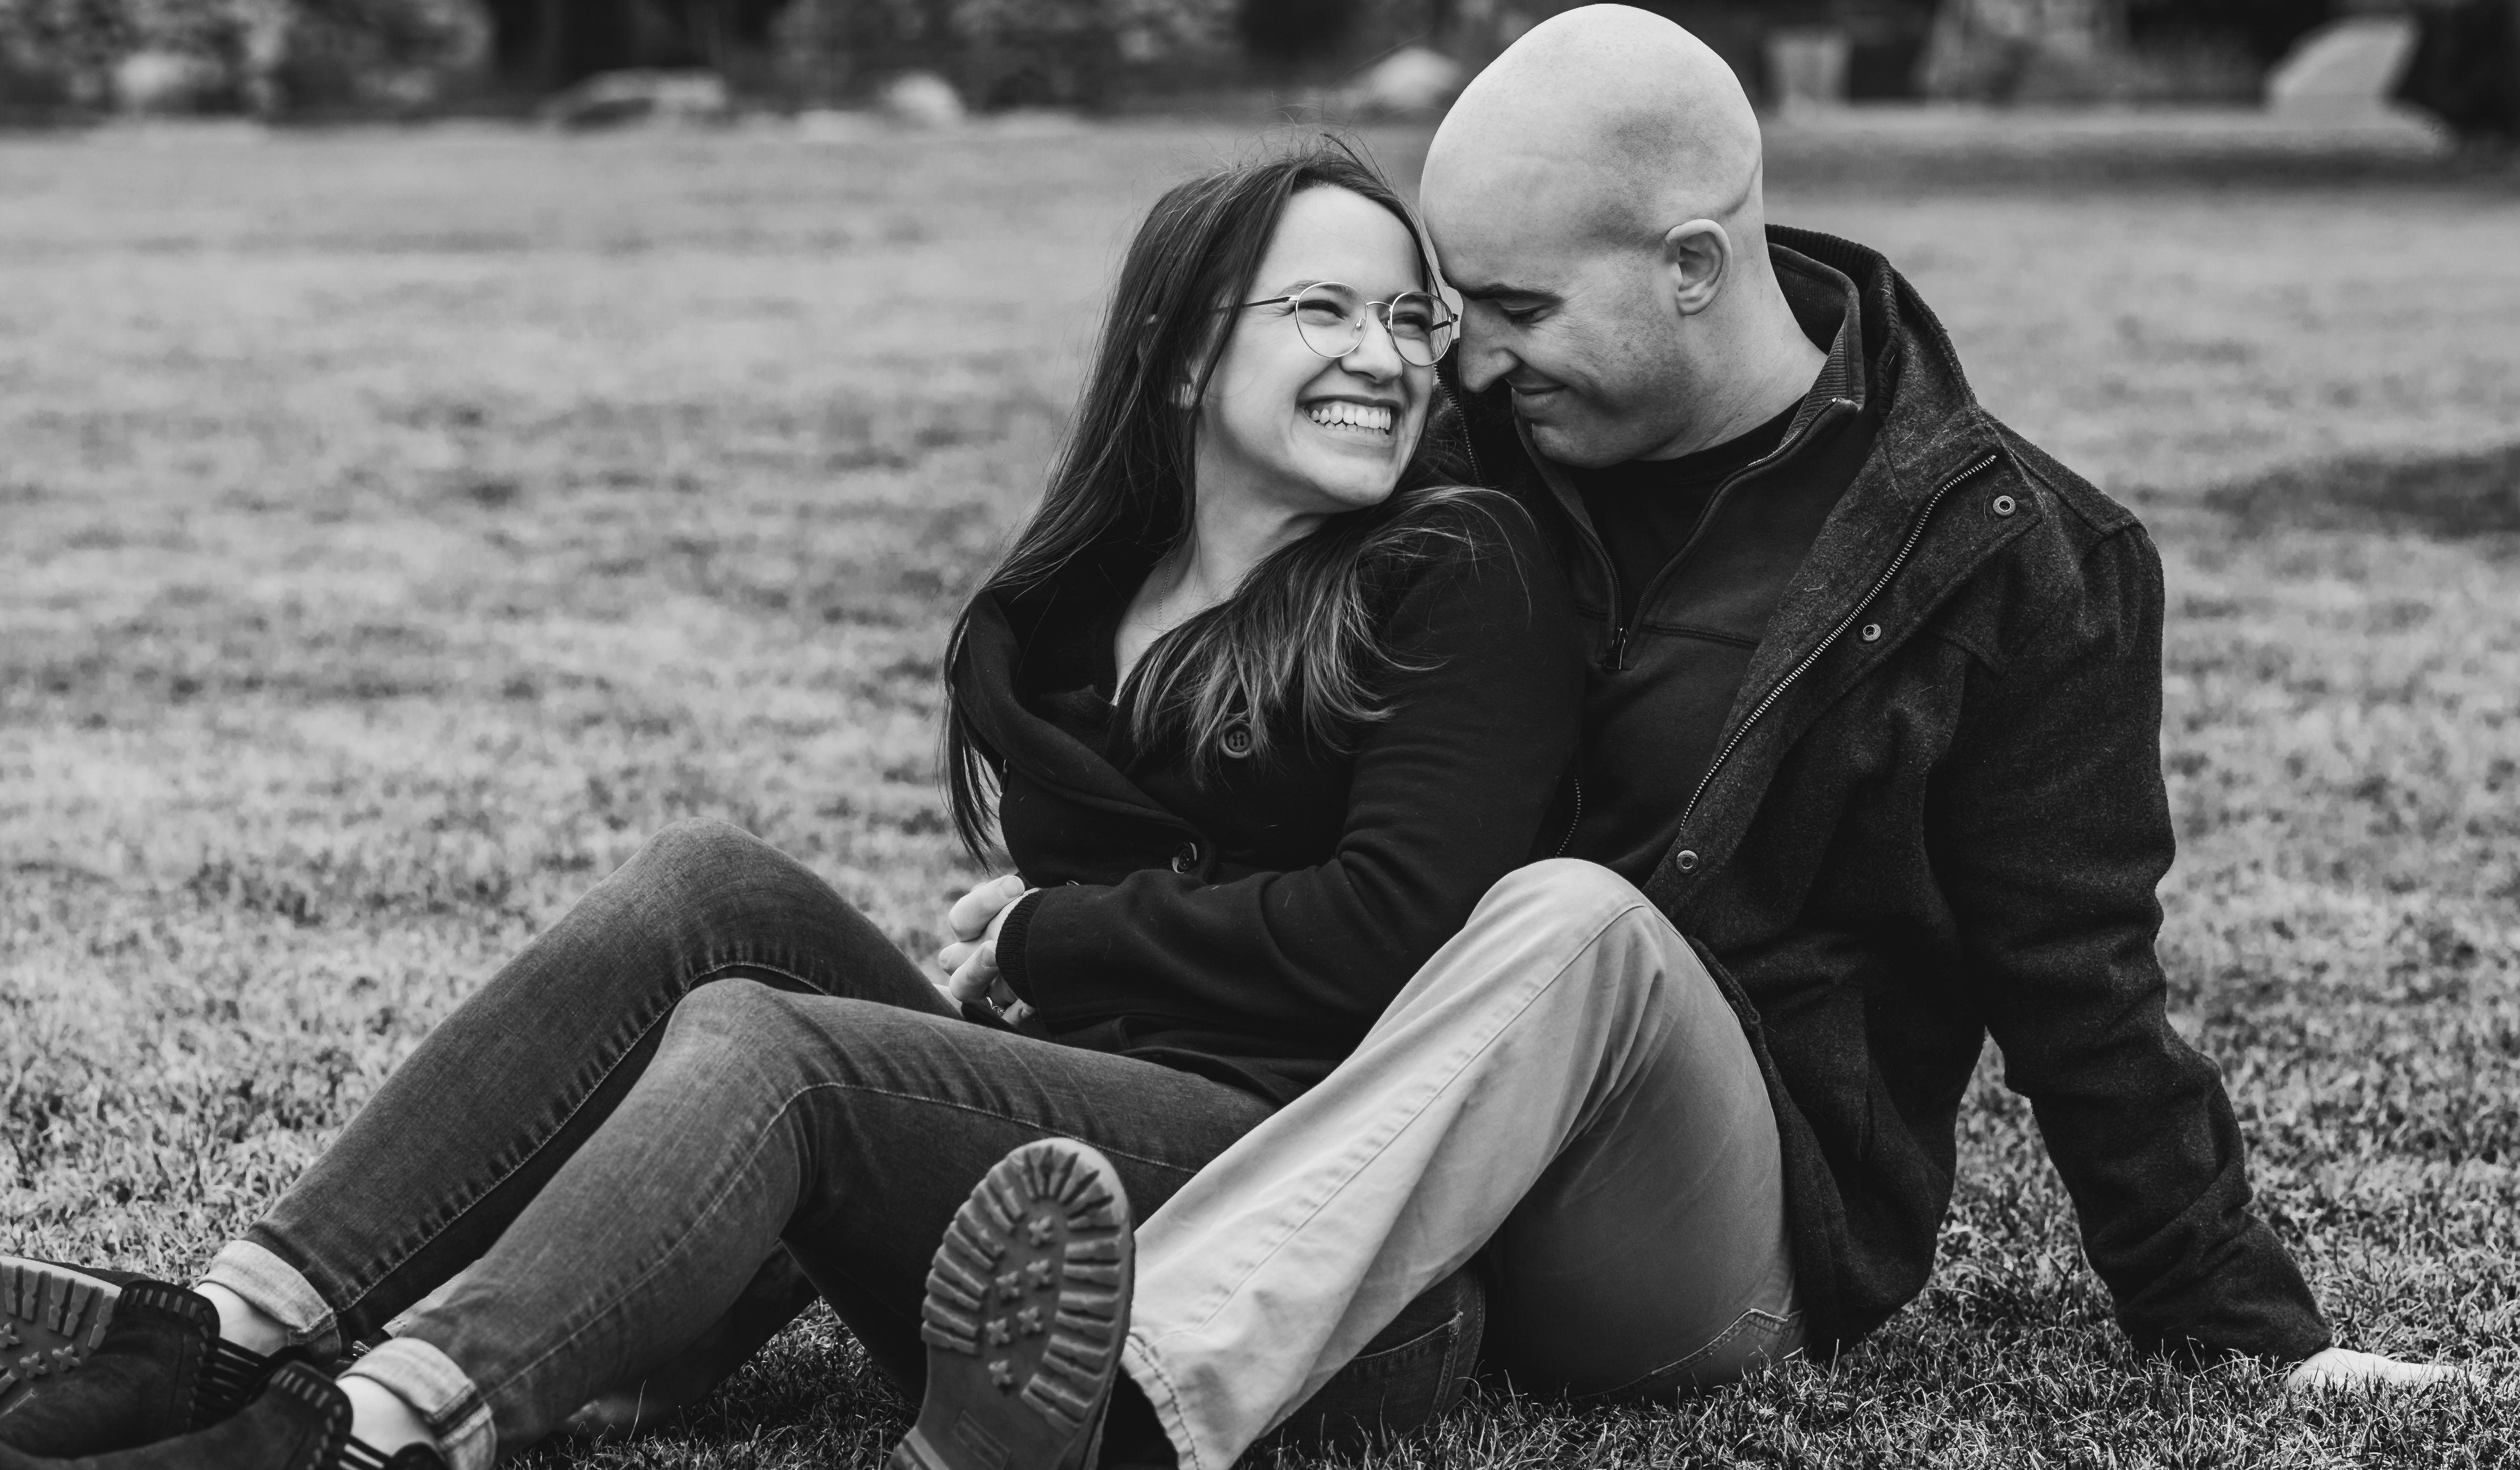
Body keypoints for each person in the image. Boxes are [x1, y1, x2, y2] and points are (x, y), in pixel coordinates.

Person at [888, 9, 2475, 1469]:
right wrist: (1075, 906)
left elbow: (2080, 983)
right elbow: (1263, 716)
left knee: (1570, 922)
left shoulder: (2009, 557)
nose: (1464, 363)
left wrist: (2242, 1327)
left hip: (1710, 1239)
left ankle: (1123, 1397)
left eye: (1518, 311)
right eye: (1456, 312)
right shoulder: (1473, 457)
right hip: (1381, 1144)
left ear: (1694, 266)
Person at [0, 143, 1582, 1470]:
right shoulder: (1085, 608)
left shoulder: (1456, 568)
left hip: (1304, 1234)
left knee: (774, 1043)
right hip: (1045, 1246)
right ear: (1180, 354)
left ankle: (384, 1425)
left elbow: (1399, 934)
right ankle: (230, 1325)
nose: (1386, 356)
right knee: (711, 889)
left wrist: (1056, 933)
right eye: (1323, 309)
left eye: (1409, 317)